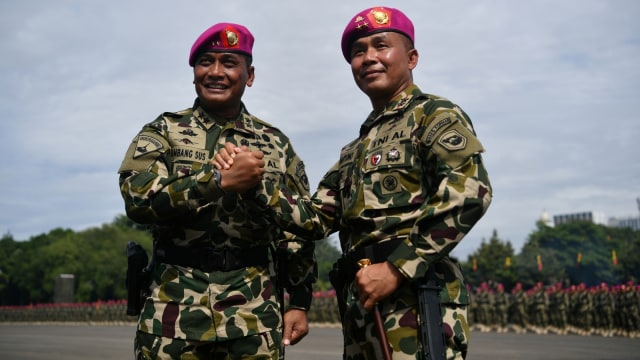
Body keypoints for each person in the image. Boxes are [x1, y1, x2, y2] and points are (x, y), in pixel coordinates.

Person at [217, 6, 492, 359]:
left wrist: (397, 268)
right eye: (358, 52)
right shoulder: (355, 150)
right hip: (363, 308)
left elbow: (470, 192)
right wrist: (255, 184)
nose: (369, 58)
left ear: (411, 57)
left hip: (417, 299)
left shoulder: (433, 115)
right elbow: (314, 219)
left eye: (381, 45)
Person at [117, 22, 316, 360]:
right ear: (193, 72)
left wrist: (299, 301)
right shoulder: (164, 131)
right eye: (205, 62)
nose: (215, 72)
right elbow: (137, 198)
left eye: (228, 63)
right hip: (174, 309)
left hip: (253, 310)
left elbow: (296, 229)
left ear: (249, 75)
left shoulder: (276, 144)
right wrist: (217, 181)